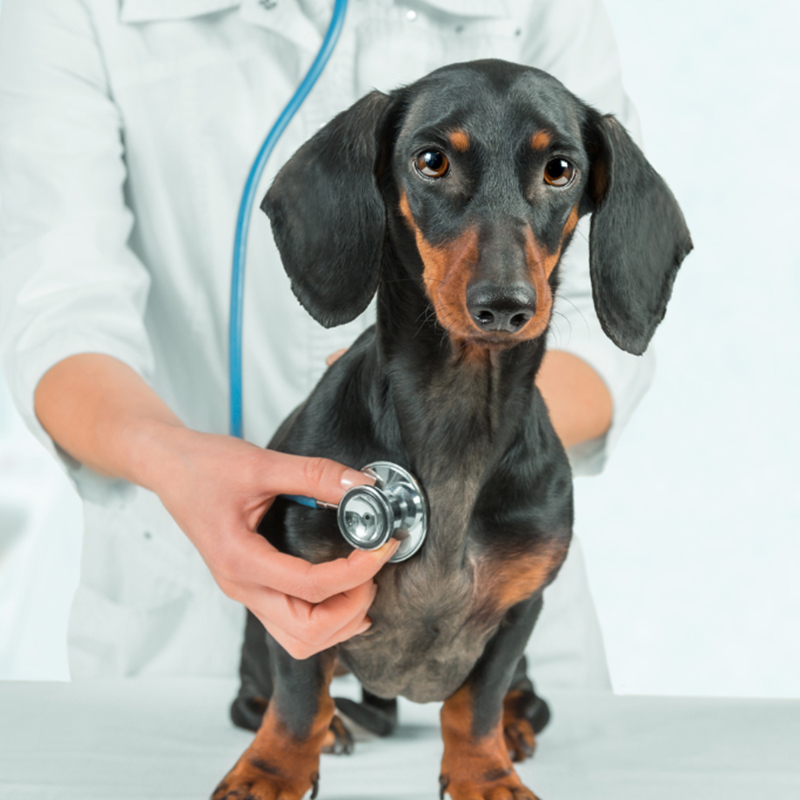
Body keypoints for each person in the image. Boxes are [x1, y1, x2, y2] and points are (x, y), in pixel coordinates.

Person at [0, 0, 652, 687]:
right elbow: (58, 308)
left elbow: (604, 312)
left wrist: (443, 423)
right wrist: (173, 462)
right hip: (190, 619)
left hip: (495, 610)